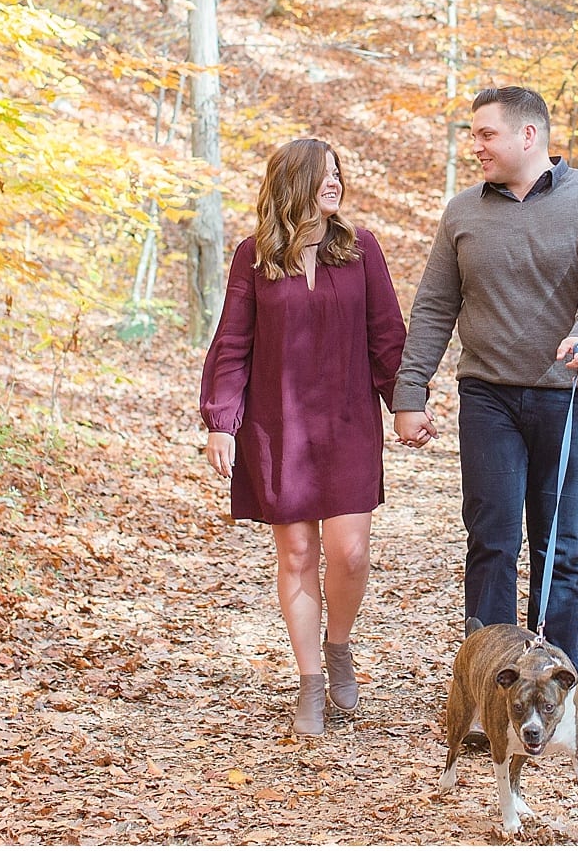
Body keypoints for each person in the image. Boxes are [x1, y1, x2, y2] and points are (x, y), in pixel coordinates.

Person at [390, 86, 578, 683]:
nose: (475, 146)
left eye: (485, 134)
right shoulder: (463, 212)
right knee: (493, 542)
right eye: (474, 134)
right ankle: (487, 687)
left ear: (529, 136)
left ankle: (554, 684)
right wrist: (409, 391)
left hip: (569, 394)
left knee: (560, 548)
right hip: (489, 397)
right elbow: (434, 306)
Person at [200, 138, 410, 735]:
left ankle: (339, 644)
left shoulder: (361, 249)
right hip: (279, 426)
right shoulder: (255, 256)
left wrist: (406, 404)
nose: (335, 183)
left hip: (347, 420)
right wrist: (222, 421)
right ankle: (311, 681)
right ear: (294, 183)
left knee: (350, 552)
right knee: (296, 554)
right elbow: (232, 344)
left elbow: (387, 336)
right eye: (323, 175)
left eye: (339, 172)